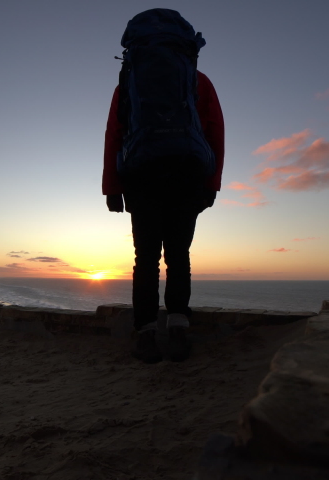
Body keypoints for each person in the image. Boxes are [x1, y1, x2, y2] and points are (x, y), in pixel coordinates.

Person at [102, 9, 225, 363]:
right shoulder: (199, 82)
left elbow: (115, 133)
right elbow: (214, 131)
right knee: (179, 255)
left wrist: (112, 186)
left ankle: (145, 334)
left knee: (146, 259)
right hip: (188, 173)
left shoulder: (128, 83)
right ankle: (178, 328)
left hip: (141, 175)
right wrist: (211, 183)